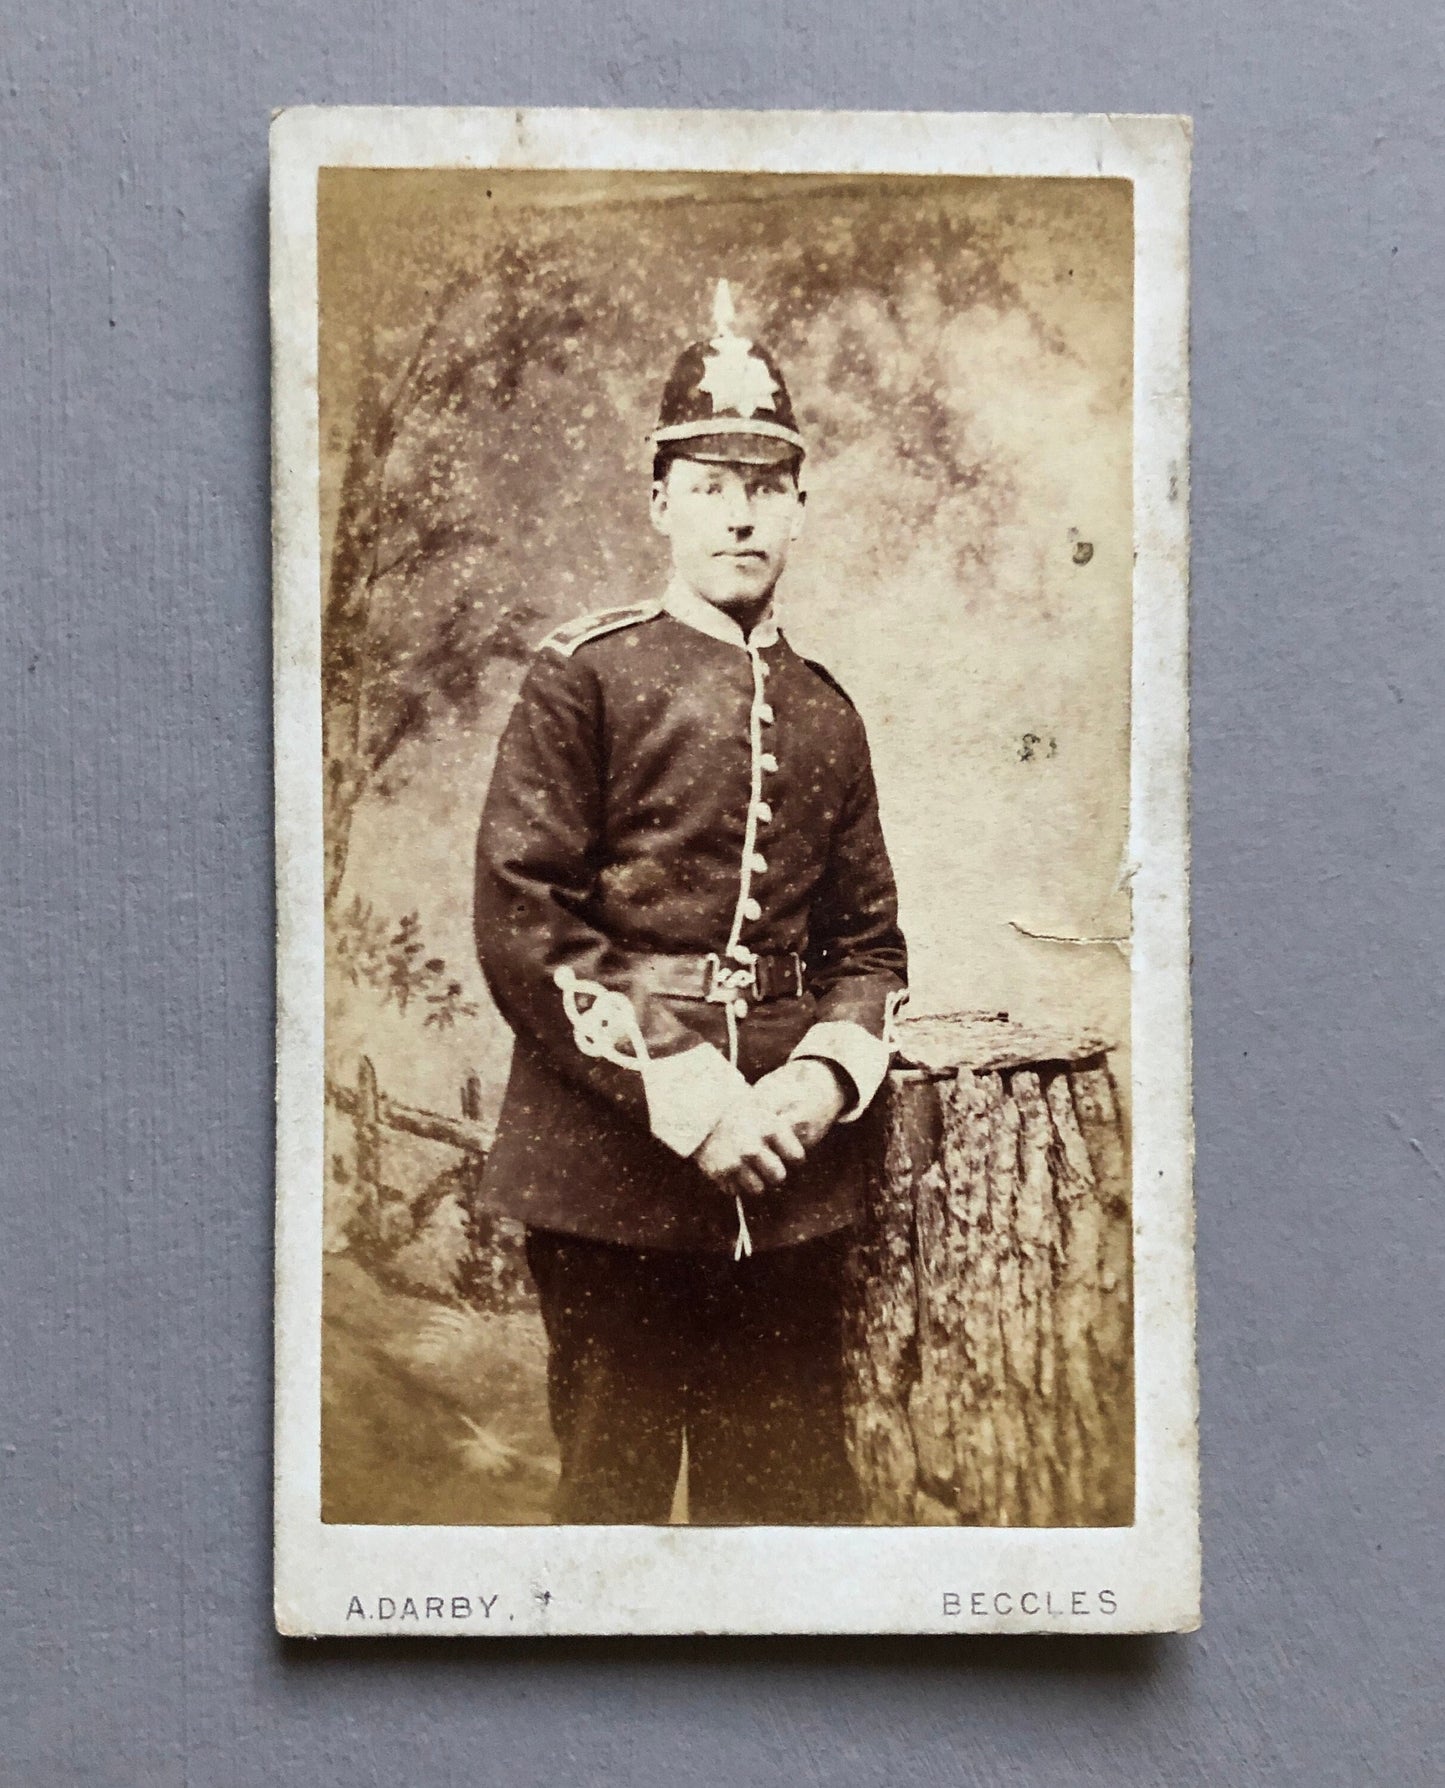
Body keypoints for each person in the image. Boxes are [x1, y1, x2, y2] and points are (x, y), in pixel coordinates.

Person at [473, 281, 908, 1524]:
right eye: (710, 485)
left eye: (765, 485)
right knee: (607, 1520)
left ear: (800, 508)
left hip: (793, 1182)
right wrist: (694, 1093)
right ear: (660, 501)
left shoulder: (828, 710)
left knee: (778, 1524)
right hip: (610, 1172)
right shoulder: (585, 679)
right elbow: (523, 913)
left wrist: (813, 1088)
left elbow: (870, 947)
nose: (739, 514)